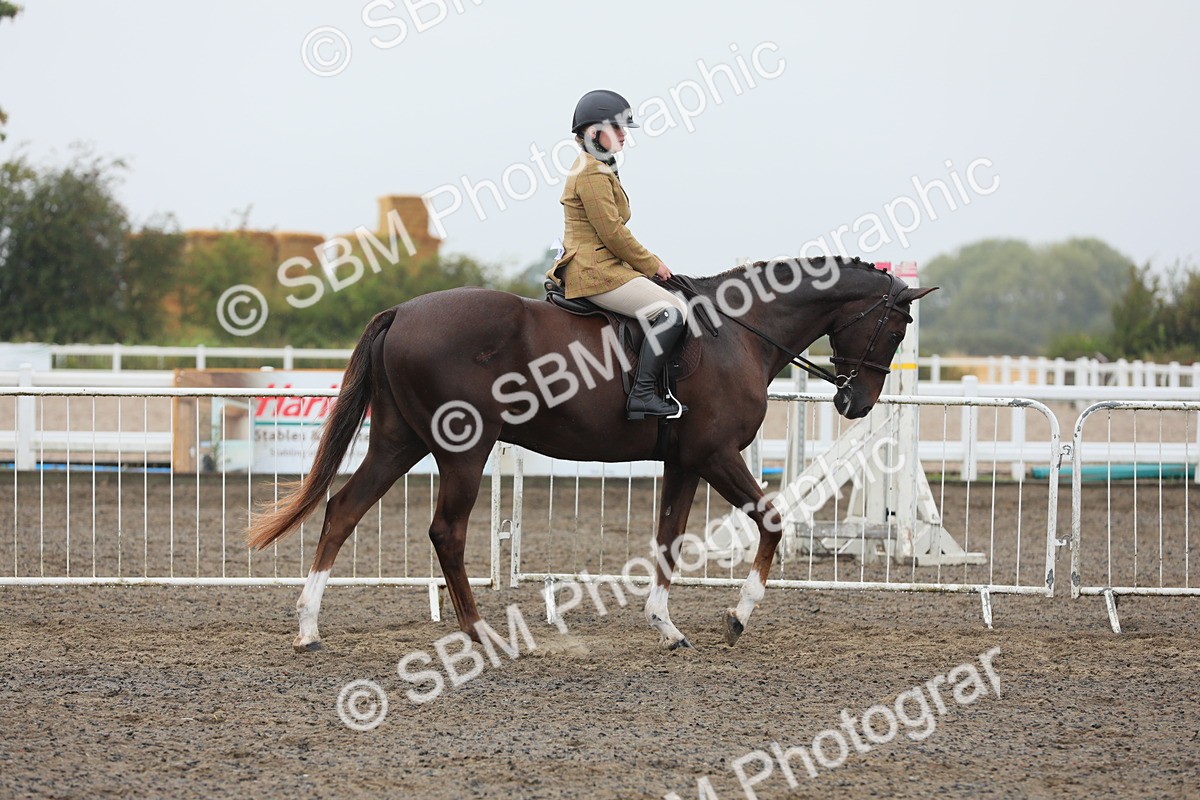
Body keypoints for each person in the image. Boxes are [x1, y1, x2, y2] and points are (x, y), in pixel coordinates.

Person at [547, 89, 689, 420]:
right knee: (672, 311)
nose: (625, 136)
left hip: (607, 265)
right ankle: (642, 394)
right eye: (618, 129)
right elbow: (612, 232)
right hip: (595, 271)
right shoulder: (591, 172)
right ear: (595, 133)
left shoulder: (600, 166)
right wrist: (652, 263)